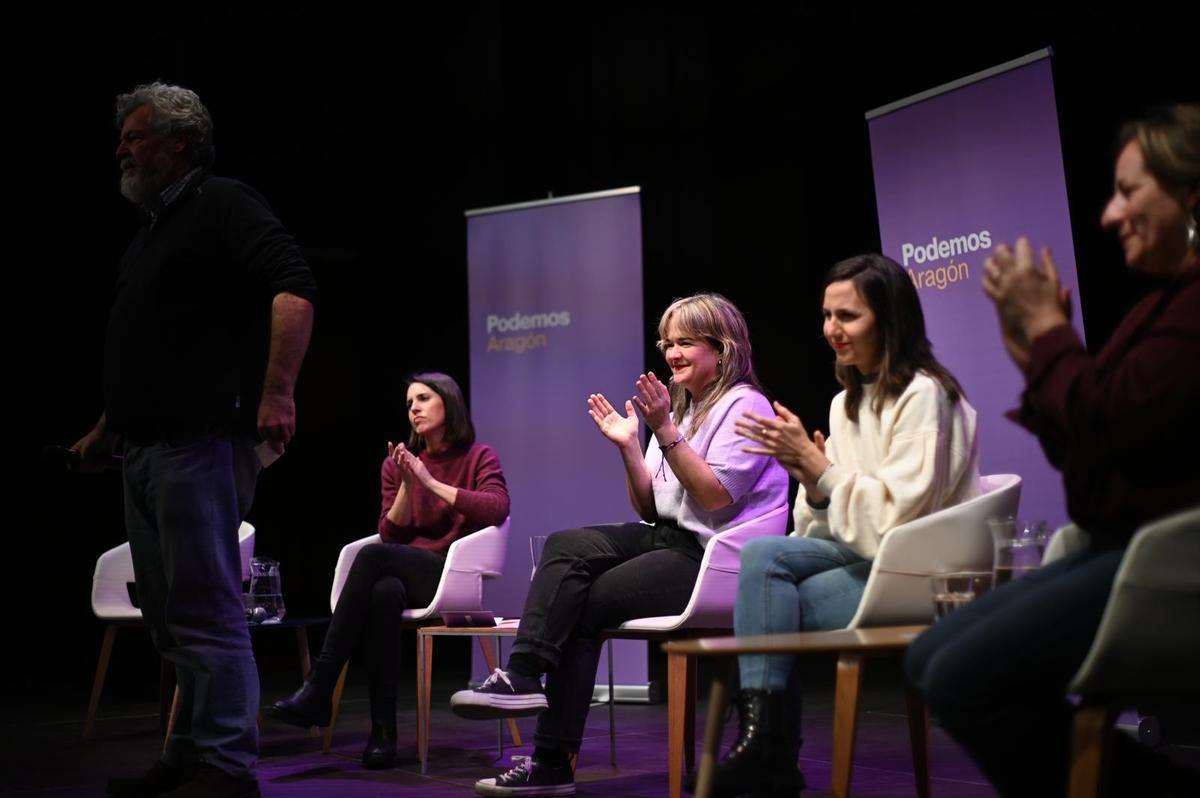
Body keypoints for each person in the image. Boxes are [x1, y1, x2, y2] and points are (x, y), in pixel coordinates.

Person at [905, 104, 1200, 797]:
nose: (1109, 215)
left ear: (1191, 192)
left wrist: (1047, 335)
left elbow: (1116, 425)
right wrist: (1035, 352)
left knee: (958, 675)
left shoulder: (1191, 311)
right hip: (1114, 546)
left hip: (1158, 560)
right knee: (927, 660)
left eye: (1129, 191)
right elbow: (1096, 455)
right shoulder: (1160, 305)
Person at [72, 82, 317, 798]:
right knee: (171, 621)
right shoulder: (152, 231)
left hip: (201, 443)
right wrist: (104, 430)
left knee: (207, 610)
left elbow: (294, 287)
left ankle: (228, 766)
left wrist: (277, 391)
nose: (121, 147)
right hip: (144, 450)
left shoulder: (224, 203)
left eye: (136, 136)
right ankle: (186, 758)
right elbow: (143, 348)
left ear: (179, 141)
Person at [449, 293, 788, 796]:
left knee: (583, 606)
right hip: (667, 537)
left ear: (722, 348)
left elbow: (715, 496)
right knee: (567, 544)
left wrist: (664, 430)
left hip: (713, 558)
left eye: (685, 343)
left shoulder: (745, 405)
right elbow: (649, 508)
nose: (671, 353)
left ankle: (550, 761)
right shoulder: (680, 407)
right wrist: (631, 446)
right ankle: (522, 676)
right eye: (666, 343)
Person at [706, 253, 981, 797]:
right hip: (867, 554)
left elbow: (901, 522)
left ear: (890, 318)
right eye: (827, 315)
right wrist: (810, 482)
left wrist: (820, 470)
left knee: (765, 608)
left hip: (919, 568)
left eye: (848, 316)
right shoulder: (843, 405)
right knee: (763, 558)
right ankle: (767, 748)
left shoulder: (925, 395)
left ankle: (771, 749)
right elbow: (827, 523)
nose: (832, 329)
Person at [265, 372, 510, 769]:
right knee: (382, 593)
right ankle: (382, 734)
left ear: (449, 404)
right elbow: (389, 532)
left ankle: (320, 687)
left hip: (451, 573)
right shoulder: (397, 465)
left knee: (372, 560)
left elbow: (496, 508)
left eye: (423, 398)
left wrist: (430, 482)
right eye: (409, 401)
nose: (413, 407)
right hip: (408, 571)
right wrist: (410, 487)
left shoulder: (479, 456)